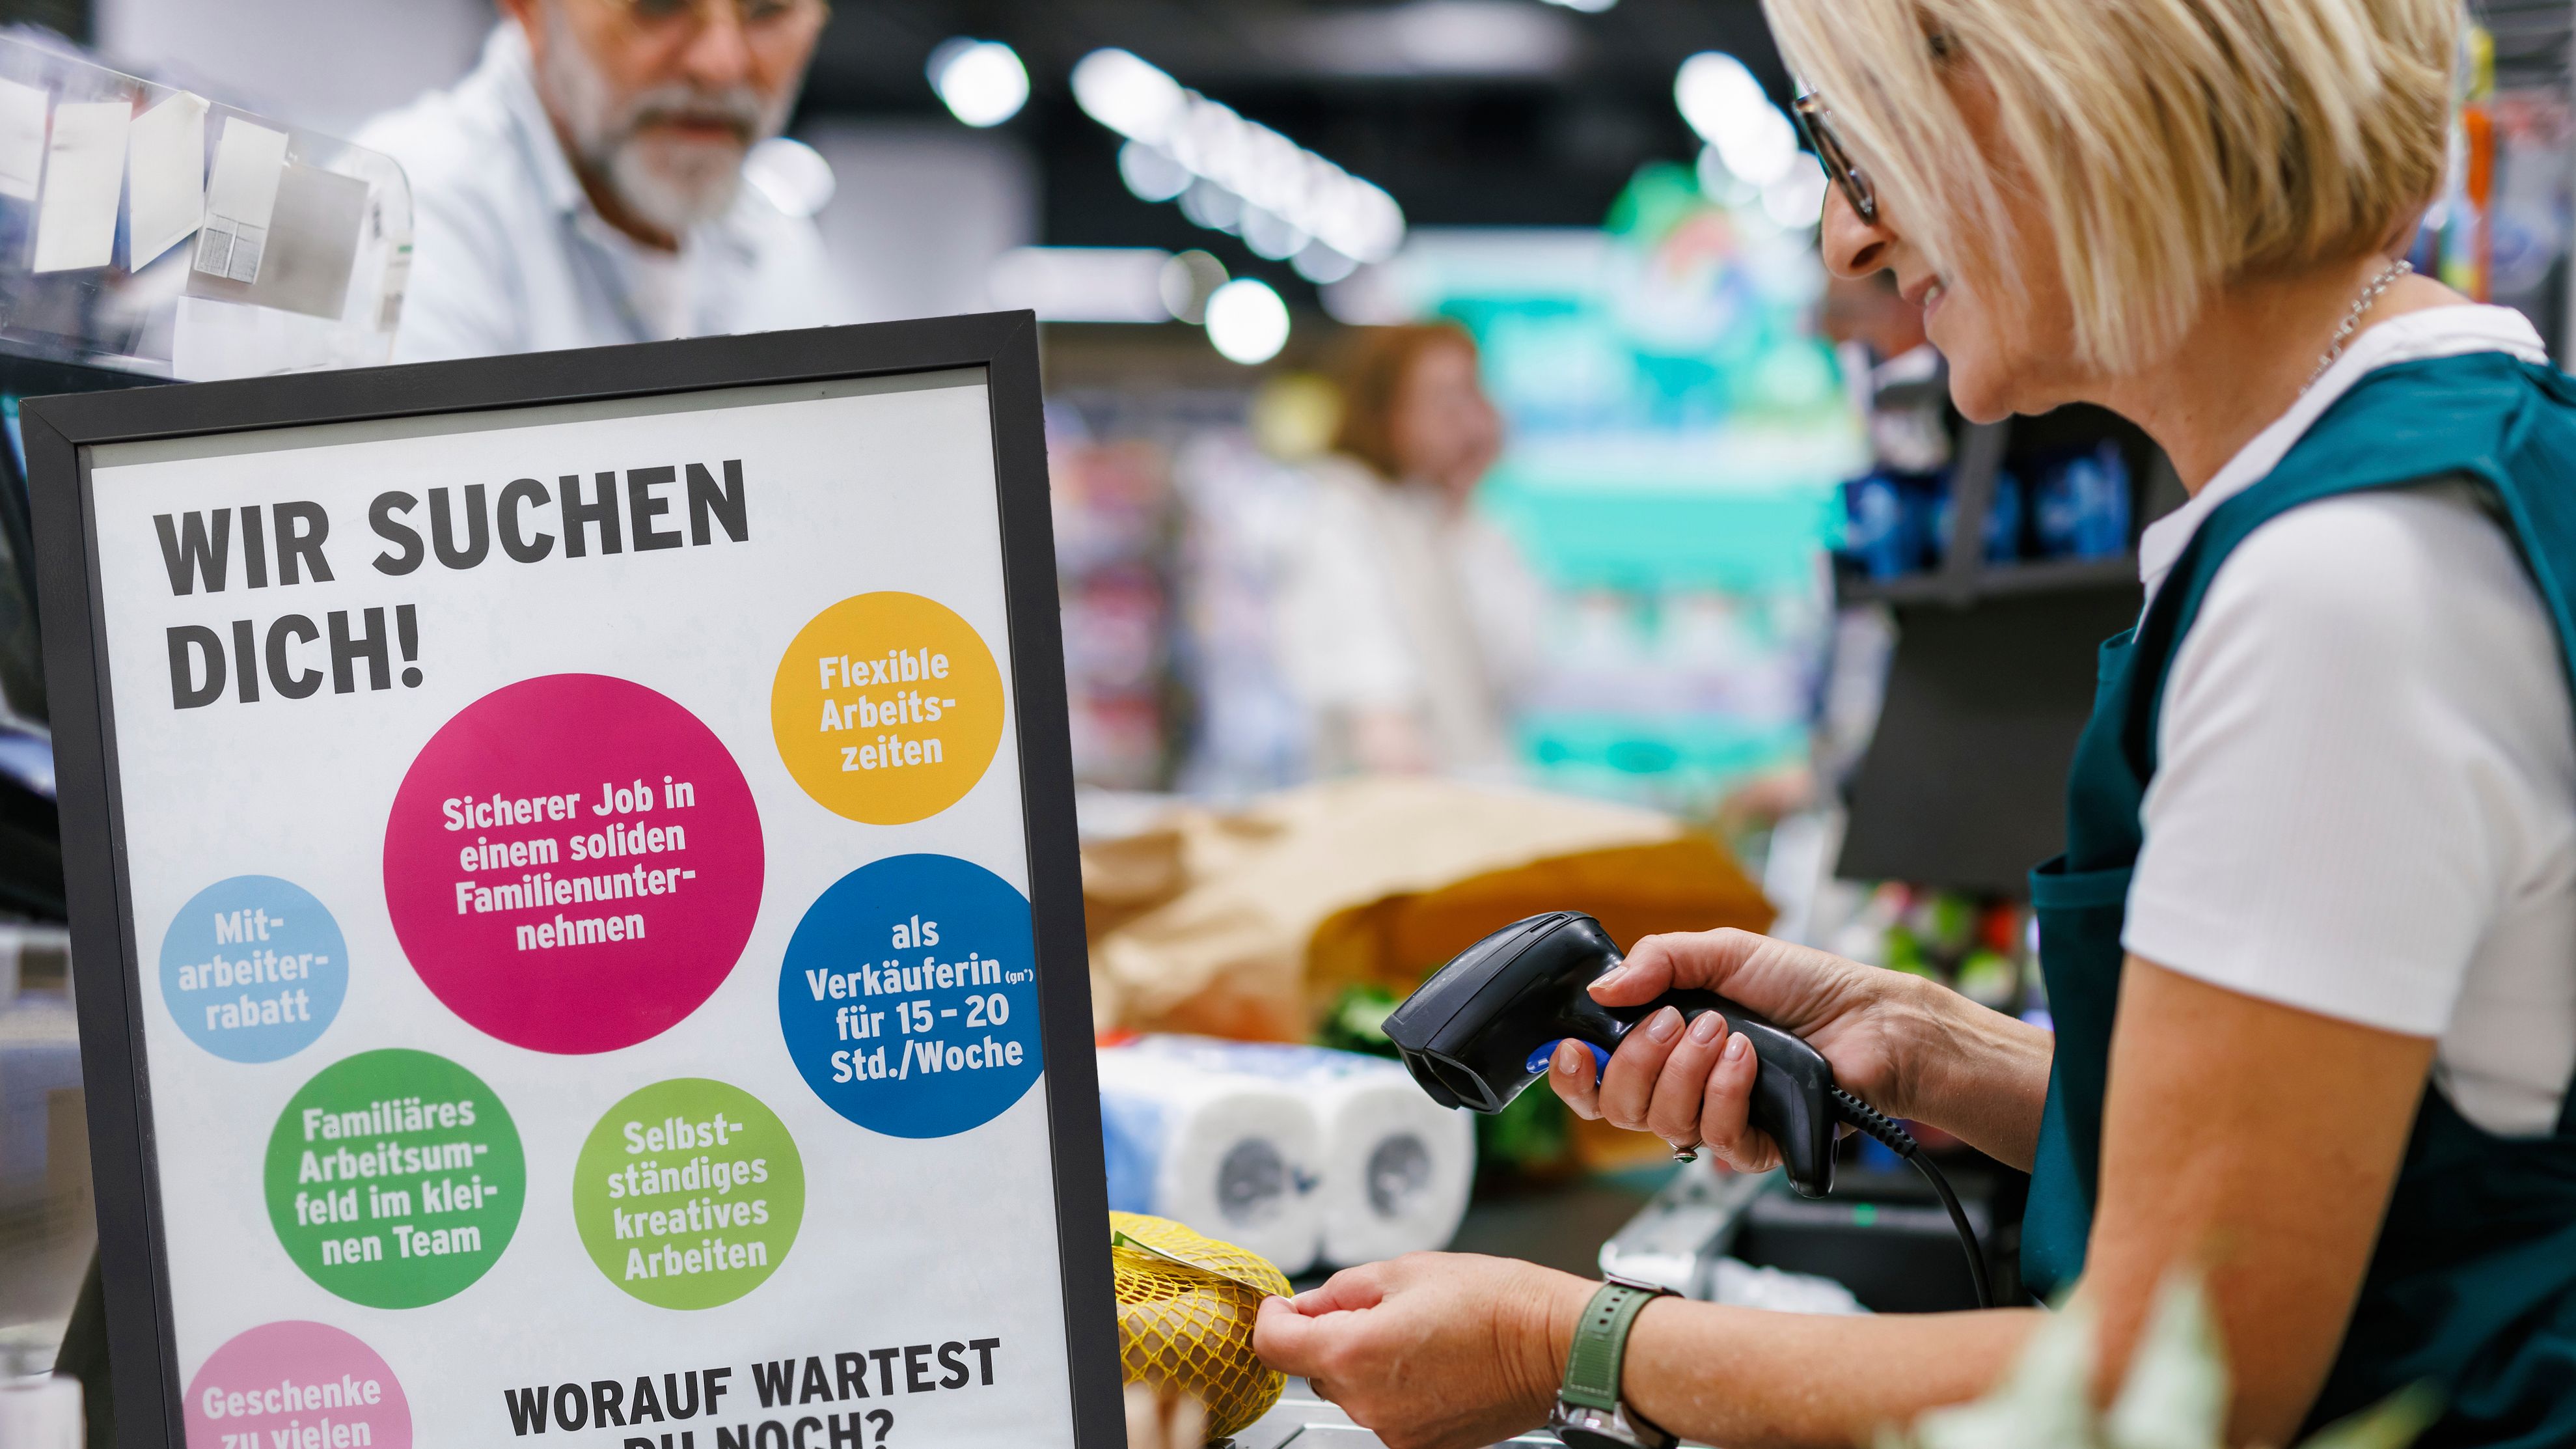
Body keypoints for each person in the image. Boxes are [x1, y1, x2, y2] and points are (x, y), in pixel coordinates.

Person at [1254, 1, 2576, 1446]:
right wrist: (1927, 1042)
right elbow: (2354, 1153)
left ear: (2067, 99)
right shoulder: (2450, 461)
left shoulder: (2339, 584)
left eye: (1857, 151)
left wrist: (1560, 1342)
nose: (1848, 242)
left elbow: (2169, 1379)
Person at [357, 0, 851, 362]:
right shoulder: (394, 213)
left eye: (769, 11)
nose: (721, 66)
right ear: (528, 9)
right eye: (658, 6)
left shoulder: (778, 244)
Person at [1272, 323, 1544, 777]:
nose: (1465, 419)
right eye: (1442, 398)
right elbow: (1375, 698)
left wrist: (1464, 507)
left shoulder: (1449, 519)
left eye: (1471, 392)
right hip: (1400, 799)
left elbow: (1513, 666)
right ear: (1386, 411)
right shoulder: (1343, 511)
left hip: (1466, 790)